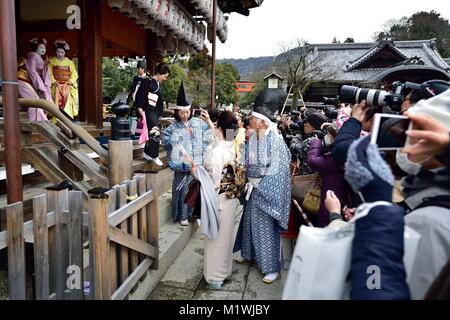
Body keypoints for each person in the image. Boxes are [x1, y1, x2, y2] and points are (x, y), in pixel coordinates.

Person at [233, 105, 291, 284]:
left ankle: (271, 267)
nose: (249, 120)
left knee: (265, 229)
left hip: (264, 191)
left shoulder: (275, 141)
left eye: (253, 118)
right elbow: (246, 160)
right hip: (253, 188)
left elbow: (279, 171)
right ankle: (248, 254)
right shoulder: (254, 138)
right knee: (249, 224)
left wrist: (261, 188)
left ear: (263, 123)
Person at [199, 111, 241, 290]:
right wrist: (210, 122)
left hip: (217, 197)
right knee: (225, 236)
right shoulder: (231, 147)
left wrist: (197, 170)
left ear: (221, 128)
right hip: (229, 197)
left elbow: (212, 178)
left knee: (215, 238)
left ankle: (215, 277)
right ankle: (224, 272)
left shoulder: (217, 152)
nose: (214, 127)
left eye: (216, 125)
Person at [161, 82, 212, 225]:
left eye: (187, 112)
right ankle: (182, 216)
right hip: (181, 164)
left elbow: (208, 135)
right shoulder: (173, 126)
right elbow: (165, 139)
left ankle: (193, 215)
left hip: (195, 162)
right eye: (182, 112)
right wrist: (175, 141)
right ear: (177, 112)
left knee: (195, 189)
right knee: (181, 190)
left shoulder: (198, 123)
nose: (185, 115)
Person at [306, 123, 349, 227]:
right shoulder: (342, 153)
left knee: (328, 222)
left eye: (328, 134)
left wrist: (316, 143)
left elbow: (312, 161)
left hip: (333, 195)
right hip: (338, 192)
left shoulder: (336, 158)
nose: (326, 137)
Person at [135, 63, 170, 166]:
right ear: (159, 73)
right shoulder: (148, 81)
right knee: (155, 131)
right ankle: (154, 156)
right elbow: (141, 94)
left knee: (152, 132)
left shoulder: (157, 83)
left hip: (154, 110)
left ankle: (147, 153)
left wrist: (159, 113)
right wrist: (140, 108)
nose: (165, 78)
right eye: (164, 76)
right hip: (148, 109)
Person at [19, 38, 53, 121]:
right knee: (34, 100)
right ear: (35, 48)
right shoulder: (33, 56)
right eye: (41, 47)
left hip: (27, 81)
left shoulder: (38, 57)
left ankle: (39, 120)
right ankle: (37, 121)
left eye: (44, 48)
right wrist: (39, 87)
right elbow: (32, 72)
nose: (43, 49)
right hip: (23, 80)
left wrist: (45, 65)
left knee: (36, 100)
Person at [49, 39, 79, 119]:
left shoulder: (69, 62)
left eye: (62, 52)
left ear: (65, 53)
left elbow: (74, 74)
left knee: (68, 100)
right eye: (58, 52)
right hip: (56, 84)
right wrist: (53, 81)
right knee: (56, 100)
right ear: (56, 51)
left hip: (67, 84)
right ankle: (56, 118)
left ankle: (67, 117)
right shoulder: (51, 61)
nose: (60, 54)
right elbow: (49, 73)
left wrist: (70, 81)